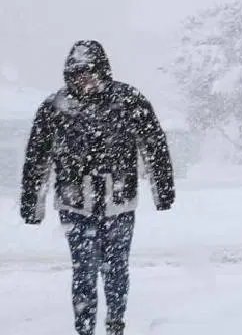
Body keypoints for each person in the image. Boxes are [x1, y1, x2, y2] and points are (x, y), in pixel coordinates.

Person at [20, 41, 176, 335]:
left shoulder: (128, 100)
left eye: (89, 73)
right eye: (77, 74)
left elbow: (155, 146)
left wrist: (163, 189)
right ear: (69, 76)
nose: (85, 80)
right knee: (84, 270)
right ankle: (85, 326)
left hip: (119, 202)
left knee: (116, 268)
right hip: (74, 205)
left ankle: (115, 322)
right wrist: (32, 204)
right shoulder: (55, 108)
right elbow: (36, 158)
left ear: (103, 71)